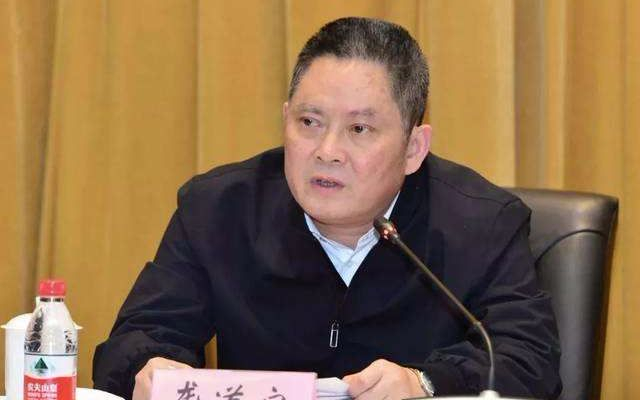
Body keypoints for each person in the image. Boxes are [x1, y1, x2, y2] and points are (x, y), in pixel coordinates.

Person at [93, 17, 561, 400]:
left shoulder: (481, 223)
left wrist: (425, 383)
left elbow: (528, 359)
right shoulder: (218, 210)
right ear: (285, 120)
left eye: (359, 129)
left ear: (414, 148)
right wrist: (147, 368)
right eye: (309, 122)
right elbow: (134, 340)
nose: (327, 151)